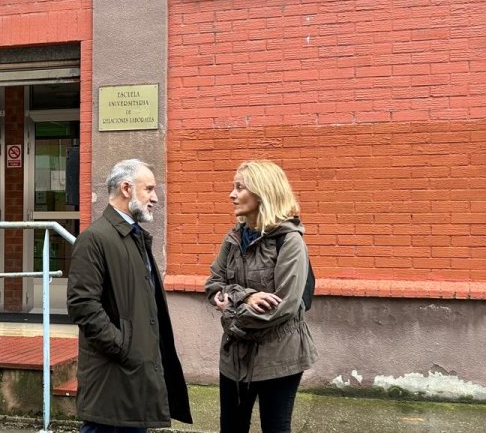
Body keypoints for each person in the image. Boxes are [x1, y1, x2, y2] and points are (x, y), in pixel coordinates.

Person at [67, 159, 193, 432]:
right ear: (126, 188)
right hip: (113, 384)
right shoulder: (95, 238)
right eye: (149, 189)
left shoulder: (134, 236)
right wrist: (125, 347)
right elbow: (83, 305)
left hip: (133, 382)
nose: (155, 198)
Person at [205, 160, 317, 433]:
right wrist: (245, 297)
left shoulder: (289, 242)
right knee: (231, 427)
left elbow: (283, 307)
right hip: (234, 357)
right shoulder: (233, 238)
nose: (231, 194)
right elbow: (213, 284)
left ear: (262, 192)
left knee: (275, 428)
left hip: (279, 356)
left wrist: (229, 311)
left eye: (239, 187)